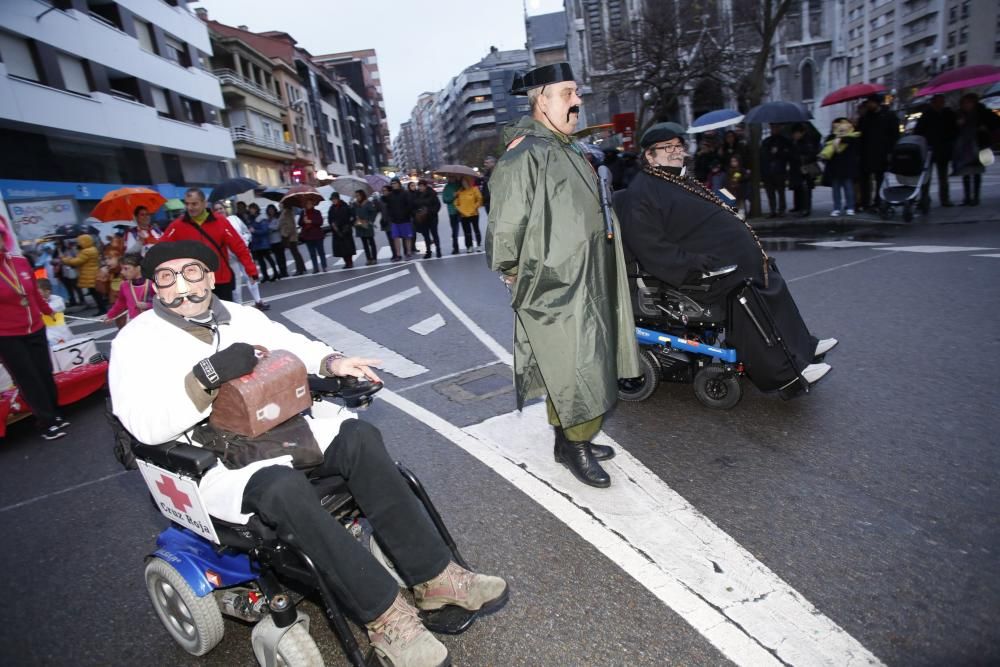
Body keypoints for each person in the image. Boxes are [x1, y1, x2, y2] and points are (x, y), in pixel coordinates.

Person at [109, 240, 508, 667]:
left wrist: (332, 362)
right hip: (212, 460)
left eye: (190, 271)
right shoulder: (136, 342)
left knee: (358, 437)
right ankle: (386, 617)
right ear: (155, 287)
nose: (180, 285)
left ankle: (434, 577)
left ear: (209, 276)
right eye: (167, 277)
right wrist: (204, 379)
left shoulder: (240, 317)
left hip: (278, 432)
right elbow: (143, 426)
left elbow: (289, 344)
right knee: (282, 489)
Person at [486, 62, 639, 489]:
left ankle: (568, 438)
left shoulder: (562, 146)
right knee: (575, 363)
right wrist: (513, 271)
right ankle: (576, 444)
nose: (577, 100)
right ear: (541, 99)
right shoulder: (526, 154)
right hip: (556, 280)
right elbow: (505, 225)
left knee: (584, 358)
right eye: (568, 92)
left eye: (576, 92)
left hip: (586, 272)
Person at [618, 122, 835, 395]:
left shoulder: (675, 178)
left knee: (769, 273)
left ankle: (803, 346)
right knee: (744, 291)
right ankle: (787, 375)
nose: (675, 152)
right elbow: (649, 246)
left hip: (722, 256)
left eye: (678, 146)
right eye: (666, 148)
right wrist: (693, 263)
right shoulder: (643, 192)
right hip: (690, 270)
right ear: (649, 156)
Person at [0, 216, 69, 440]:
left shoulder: (20, 261)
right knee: (28, 378)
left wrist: (48, 310)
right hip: (8, 336)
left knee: (44, 373)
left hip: (35, 328)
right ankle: (45, 421)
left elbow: (33, 294)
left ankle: (54, 412)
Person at [161, 188, 258, 302]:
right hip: (193, 283)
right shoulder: (177, 226)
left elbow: (239, 246)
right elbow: (161, 249)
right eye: (187, 204)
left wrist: (251, 270)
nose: (190, 208)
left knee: (224, 316)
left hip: (221, 280)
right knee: (201, 318)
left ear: (204, 203)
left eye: (194, 204)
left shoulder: (220, 221)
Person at [952, 92, 999, 207]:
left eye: (968, 103)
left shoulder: (982, 112)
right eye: (964, 103)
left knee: (977, 171)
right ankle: (967, 197)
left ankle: (976, 197)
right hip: (964, 145)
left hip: (978, 144)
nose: (966, 105)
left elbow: (994, 121)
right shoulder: (960, 114)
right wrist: (958, 124)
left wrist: (984, 128)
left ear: (973, 103)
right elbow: (953, 129)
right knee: (965, 171)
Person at [857, 94, 900, 211]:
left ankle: (878, 200)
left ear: (877, 103)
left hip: (882, 152)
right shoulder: (865, 117)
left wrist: (891, 151)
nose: (869, 105)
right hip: (867, 153)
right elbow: (860, 134)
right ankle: (866, 203)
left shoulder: (889, 116)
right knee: (865, 179)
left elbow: (894, 135)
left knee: (880, 178)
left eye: (871, 102)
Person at [914, 94, 958, 208]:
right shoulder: (927, 114)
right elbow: (918, 131)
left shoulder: (948, 114)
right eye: (938, 102)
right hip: (930, 148)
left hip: (942, 148)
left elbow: (954, 130)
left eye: (941, 102)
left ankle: (944, 199)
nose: (940, 104)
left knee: (942, 176)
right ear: (933, 103)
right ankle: (924, 199)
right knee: (927, 176)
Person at [819, 118, 861, 217]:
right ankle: (837, 208)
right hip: (835, 167)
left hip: (846, 166)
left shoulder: (851, 137)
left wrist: (840, 139)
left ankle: (850, 207)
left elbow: (854, 145)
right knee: (837, 189)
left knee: (848, 188)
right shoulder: (831, 137)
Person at [103, 254, 153, 327]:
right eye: (121, 269)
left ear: (138, 268)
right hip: (133, 322)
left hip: (152, 321)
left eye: (126, 268)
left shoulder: (151, 283)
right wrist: (110, 315)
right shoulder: (124, 285)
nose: (122, 272)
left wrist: (148, 305)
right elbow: (120, 303)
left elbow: (163, 303)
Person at [60, 233, 106, 314]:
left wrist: (64, 259)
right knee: (96, 292)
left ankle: (102, 309)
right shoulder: (93, 249)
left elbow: (77, 261)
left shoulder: (86, 251)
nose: (78, 243)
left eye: (79, 242)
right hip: (93, 272)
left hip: (89, 274)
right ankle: (102, 308)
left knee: (95, 293)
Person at [760, 124, 792, 217]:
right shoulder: (767, 141)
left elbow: (787, 155)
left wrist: (778, 153)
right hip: (768, 170)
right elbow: (763, 156)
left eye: (776, 127)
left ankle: (781, 209)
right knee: (770, 192)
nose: (774, 129)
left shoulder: (784, 141)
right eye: (773, 127)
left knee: (780, 191)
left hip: (779, 170)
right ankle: (772, 210)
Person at [789, 123, 820, 217]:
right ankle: (798, 206)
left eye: (796, 133)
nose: (794, 135)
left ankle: (806, 208)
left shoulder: (807, 141)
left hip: (806, 167)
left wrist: (802, 158)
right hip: (797, 168)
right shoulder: (795, 142)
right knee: (798, 187)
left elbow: (811, 154)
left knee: (806, 189)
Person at [383, 178, 415, 261]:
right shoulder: (390, 195)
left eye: (395, 183)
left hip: (405, 219)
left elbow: (409, 205)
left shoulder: (405, 193)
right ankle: (398, 255)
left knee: (407, 237)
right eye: (392, 183)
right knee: (395, 237)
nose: (394, 185)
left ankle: (408, 253)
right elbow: (388, 206)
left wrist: (407, 213)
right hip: (395, 220)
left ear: (399, 184)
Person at [247, 203, 280, 282]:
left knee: (268, 258)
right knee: (261, 261)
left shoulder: (261, 218)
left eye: (251, 209)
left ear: (255, 209)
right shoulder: (252, 219)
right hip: (257, 243)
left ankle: (275, 273)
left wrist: (254, 231)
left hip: (263, 243)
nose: (250, 210)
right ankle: (265, 275)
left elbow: (265, 230)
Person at [412, 179, 442, 259]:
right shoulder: (416, 195)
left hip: (432, 217)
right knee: (426, 235)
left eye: (422, 186)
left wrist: (429, 211)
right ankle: (428, 251)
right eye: (419, 186)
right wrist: (417, 212)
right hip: (422, 218)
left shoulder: (432, 193)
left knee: (434, 234)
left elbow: (437, 205)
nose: (420, 187)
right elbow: (413, 206)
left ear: (425, 186)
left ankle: (438, 250)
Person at [36, 278, 72, 344]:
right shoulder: (35, 303)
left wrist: (42, 304)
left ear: (47, 291)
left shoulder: (57, 299)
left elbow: (58, 307)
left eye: (39, 293)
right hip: (47, 332)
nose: (36, 296)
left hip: (61, 331)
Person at [298, 197, 327, 273]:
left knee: (321, 252)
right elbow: (299, 223)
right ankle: (315, 268)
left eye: (310, 204)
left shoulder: (317, 212)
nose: (308, 205)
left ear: (313, 204)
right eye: (307, 204)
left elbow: (320, 222)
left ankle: (324, 266)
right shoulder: (303, 213)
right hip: (308, 236)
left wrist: (310, 221)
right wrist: (303, 221)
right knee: (312, 253)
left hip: (317, 235)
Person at [327, 195, 357, 269]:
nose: (333, 201)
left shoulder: (345, 207)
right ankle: (346, 262)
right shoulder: (331, 209)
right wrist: (332, 224)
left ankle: (350, 262)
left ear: (338, 199)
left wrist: (349, 225)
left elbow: (353, 217)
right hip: (336, 231)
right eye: (332, 200)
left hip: (345, 229)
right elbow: (330, 219)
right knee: (340, 249)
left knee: (348, 247)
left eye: (334, 199)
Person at [454, 177, 483, 253]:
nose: (464, 183)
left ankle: (479, 245)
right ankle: (469, 246)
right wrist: (461, 210)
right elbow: (456, 203)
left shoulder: (474, 189)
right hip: (464, 215)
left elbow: (479, 199)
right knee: (467, 232)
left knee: (476, 229)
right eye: (462, 182)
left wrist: (474, 207)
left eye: (465, 181)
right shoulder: (459, 192)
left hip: (474, 213)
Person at [278, 202, 306, 276]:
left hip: (290, 236)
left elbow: (289, 225)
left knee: (295, 253)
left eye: (280, 203)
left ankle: (299, 269)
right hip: (291, 235)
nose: (279, 205)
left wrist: (286, 234)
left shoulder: (287, 212)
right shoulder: (286, 212)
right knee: (296, 252)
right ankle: (302, 268)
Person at [376, 185, 399, 261]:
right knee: (390, 239)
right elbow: (379, 210)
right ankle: (394, 254)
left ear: (389, 191)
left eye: (385, 190)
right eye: (383, 191)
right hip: (385, 221)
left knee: (395, 238)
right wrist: (376, 204)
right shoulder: (381, 200)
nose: (384, 192)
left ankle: (398, 254)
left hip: (393, 220)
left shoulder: (393, 198)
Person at [265, 204, 289, 278]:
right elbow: (266, 229)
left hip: (279, 240)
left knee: (282, 256)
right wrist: (269, 228)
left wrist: (269, 228)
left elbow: (277, 227)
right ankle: (281, 271)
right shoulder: (267, 220)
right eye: (269, 210)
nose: (271, 211)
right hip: (272, 241)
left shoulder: (277, 218)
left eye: (272, 210)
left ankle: (284, 271)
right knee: (277, 257)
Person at [441, 177, 463, 255]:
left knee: (467, 229)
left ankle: (469, 245)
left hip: (462, 210)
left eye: (452, 176)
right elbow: (444, 199)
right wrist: (453, 196)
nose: (450, 178)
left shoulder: (460, 185)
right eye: (449, 177)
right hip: (452, 211)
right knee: (454, 231)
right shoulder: (447, 187)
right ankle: (455, 248)